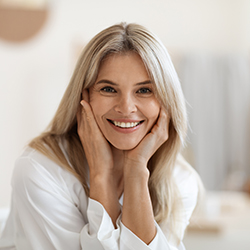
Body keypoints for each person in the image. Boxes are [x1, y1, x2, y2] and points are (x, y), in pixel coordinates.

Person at [0, 22, 202, 250]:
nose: (126, 108)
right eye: (108, 89)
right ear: (84, 98)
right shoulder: (40, 171)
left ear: (166, 102)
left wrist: (136, 169)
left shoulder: (179, 181)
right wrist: (100, 175)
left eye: (144, 90)